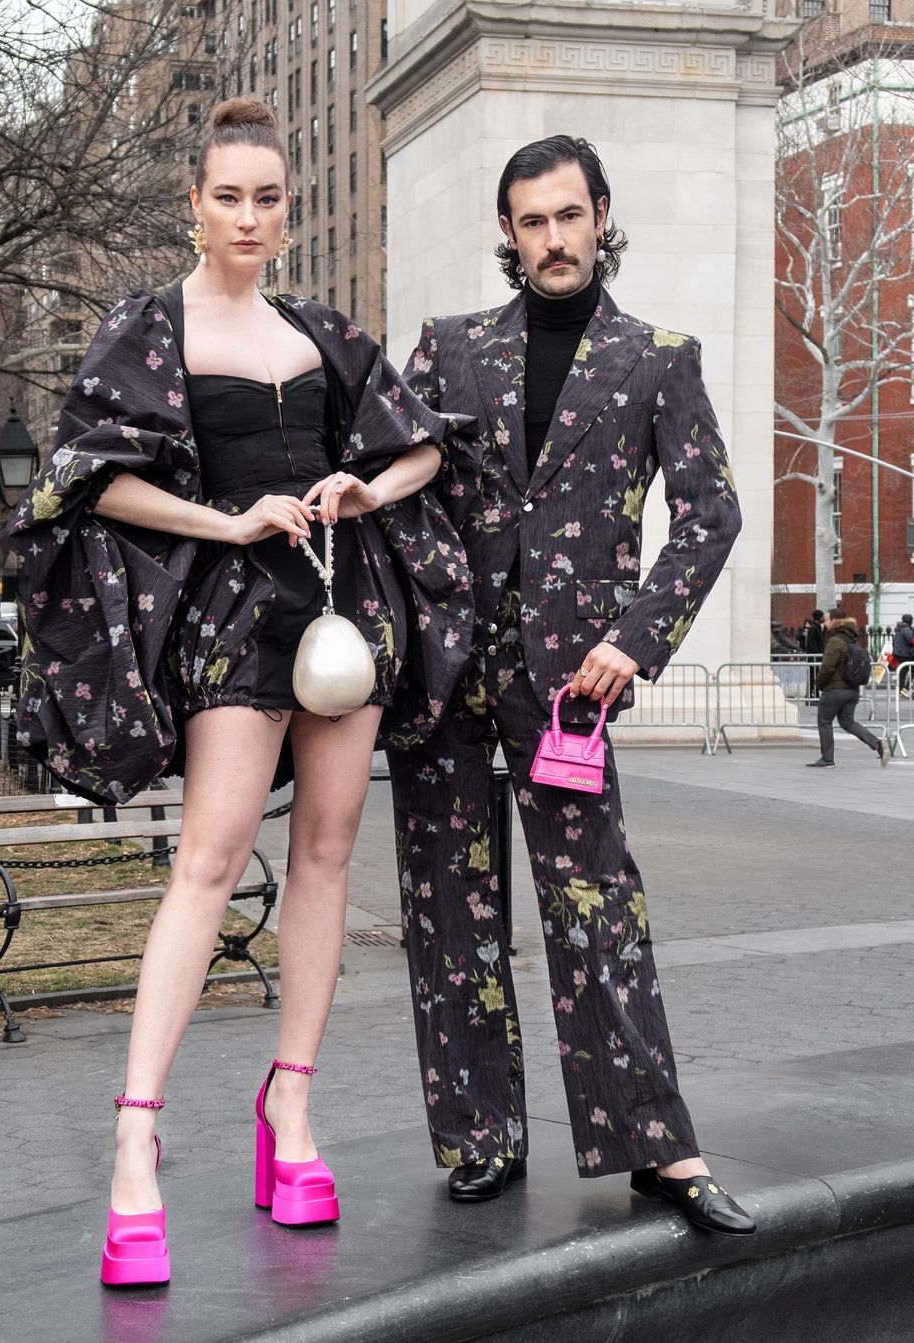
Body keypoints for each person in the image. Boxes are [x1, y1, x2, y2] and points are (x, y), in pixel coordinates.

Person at [1, 99, 473, 1287]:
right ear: (195, 203)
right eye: (229, 196)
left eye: (268, 197)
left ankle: (292, 1113)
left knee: (323, 854)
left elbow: (423, 446)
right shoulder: (148, 328)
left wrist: (364, 491)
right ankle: (134, 1140)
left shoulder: (320, 330)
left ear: (286, 205)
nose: (249, 217)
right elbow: (90, 481)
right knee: (208, 860)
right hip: (233, 616)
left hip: (341, 615)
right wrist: (226, 517)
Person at [386, 135, 756, 1236]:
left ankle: (657, 1144)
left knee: (597, 901)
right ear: (508, 232)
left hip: (571, 689)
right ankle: (480, 1137)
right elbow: (389, 481)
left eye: (569, 215)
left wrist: (635, 639)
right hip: (447, 673)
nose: (552, 238)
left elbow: (712, 512)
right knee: (450, 904)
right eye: (530, 221)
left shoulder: (657, 358)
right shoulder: (449, 351)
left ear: (602, 215)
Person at [807, 608, 890, 768]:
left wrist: (819, 684)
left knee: (824, 721)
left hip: (835, 689)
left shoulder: (835, 641)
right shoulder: (851, 639)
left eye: (828, 619)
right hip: (852, 690)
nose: (825, 622)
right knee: (848, 722)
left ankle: (827, 759)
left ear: (835, 621)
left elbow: (827, 667)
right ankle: (877, 744)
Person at [799, 608, 825, 700]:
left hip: (816, 657)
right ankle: (811, 696)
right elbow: (812, 643)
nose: (824, 618)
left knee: (815, 677)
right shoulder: (814, 629)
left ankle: (815, 695)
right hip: (813, 658)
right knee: (812, 677)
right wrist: (817, 655)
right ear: (818, 618)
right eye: (822, 617)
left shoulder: (817, 628)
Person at [892, 613, 914, 696]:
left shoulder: (898, 629)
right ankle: (905, 689)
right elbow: (911, 640)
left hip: (899, 655)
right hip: (906, 655)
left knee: (902, 672)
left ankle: (901, 690)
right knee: (911, 670)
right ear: (910, 621)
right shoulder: (906, 629)